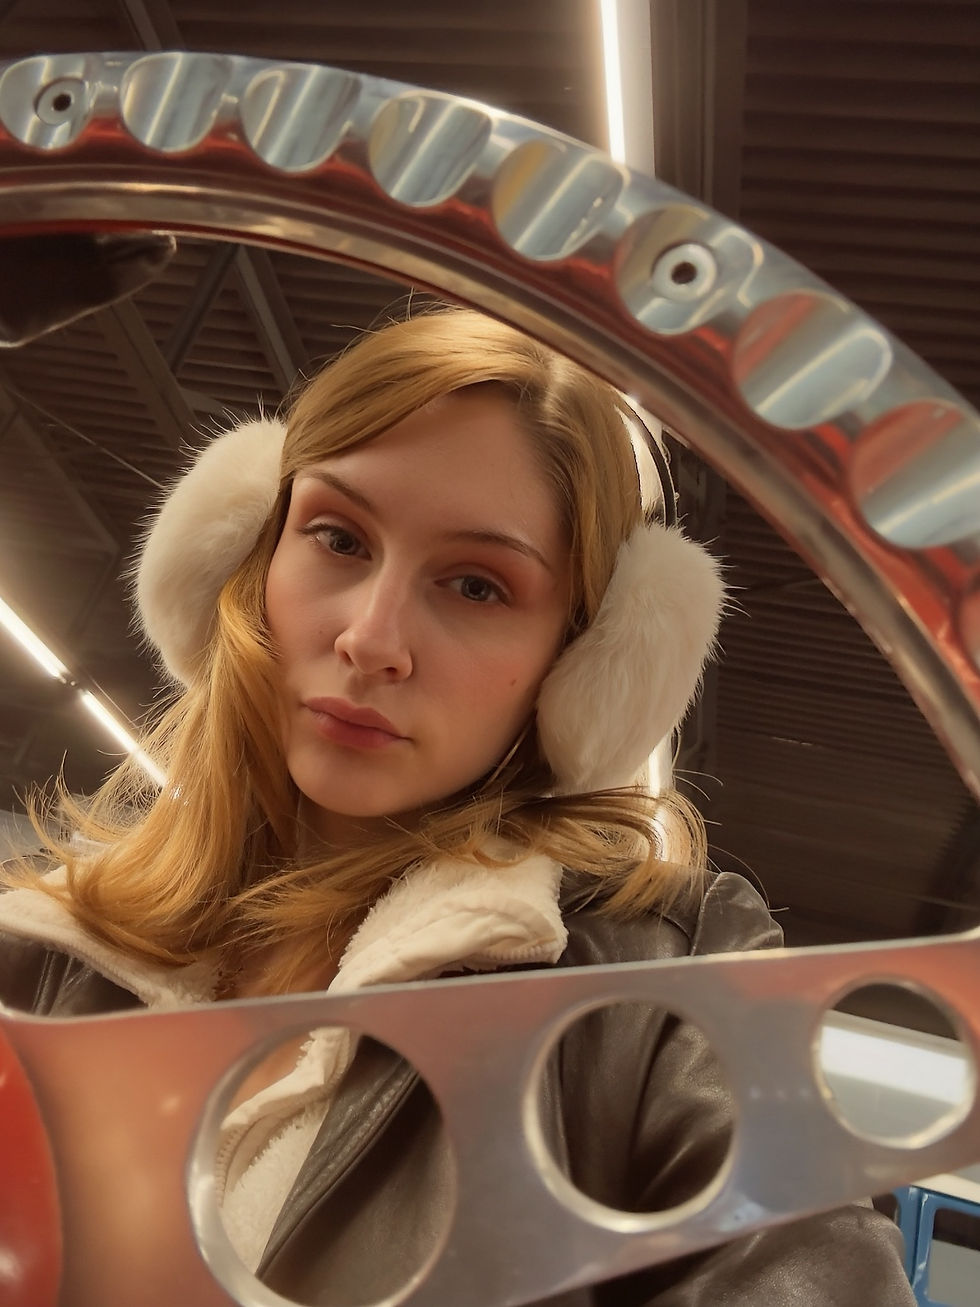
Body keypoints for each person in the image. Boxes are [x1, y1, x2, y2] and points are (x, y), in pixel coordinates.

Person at [0, 307, 914, 1304]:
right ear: (248, 554)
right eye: (338, 536)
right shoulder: (49, 945)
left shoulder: (664, 991)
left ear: (579, 666)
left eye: (476, 585)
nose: (371, 637)